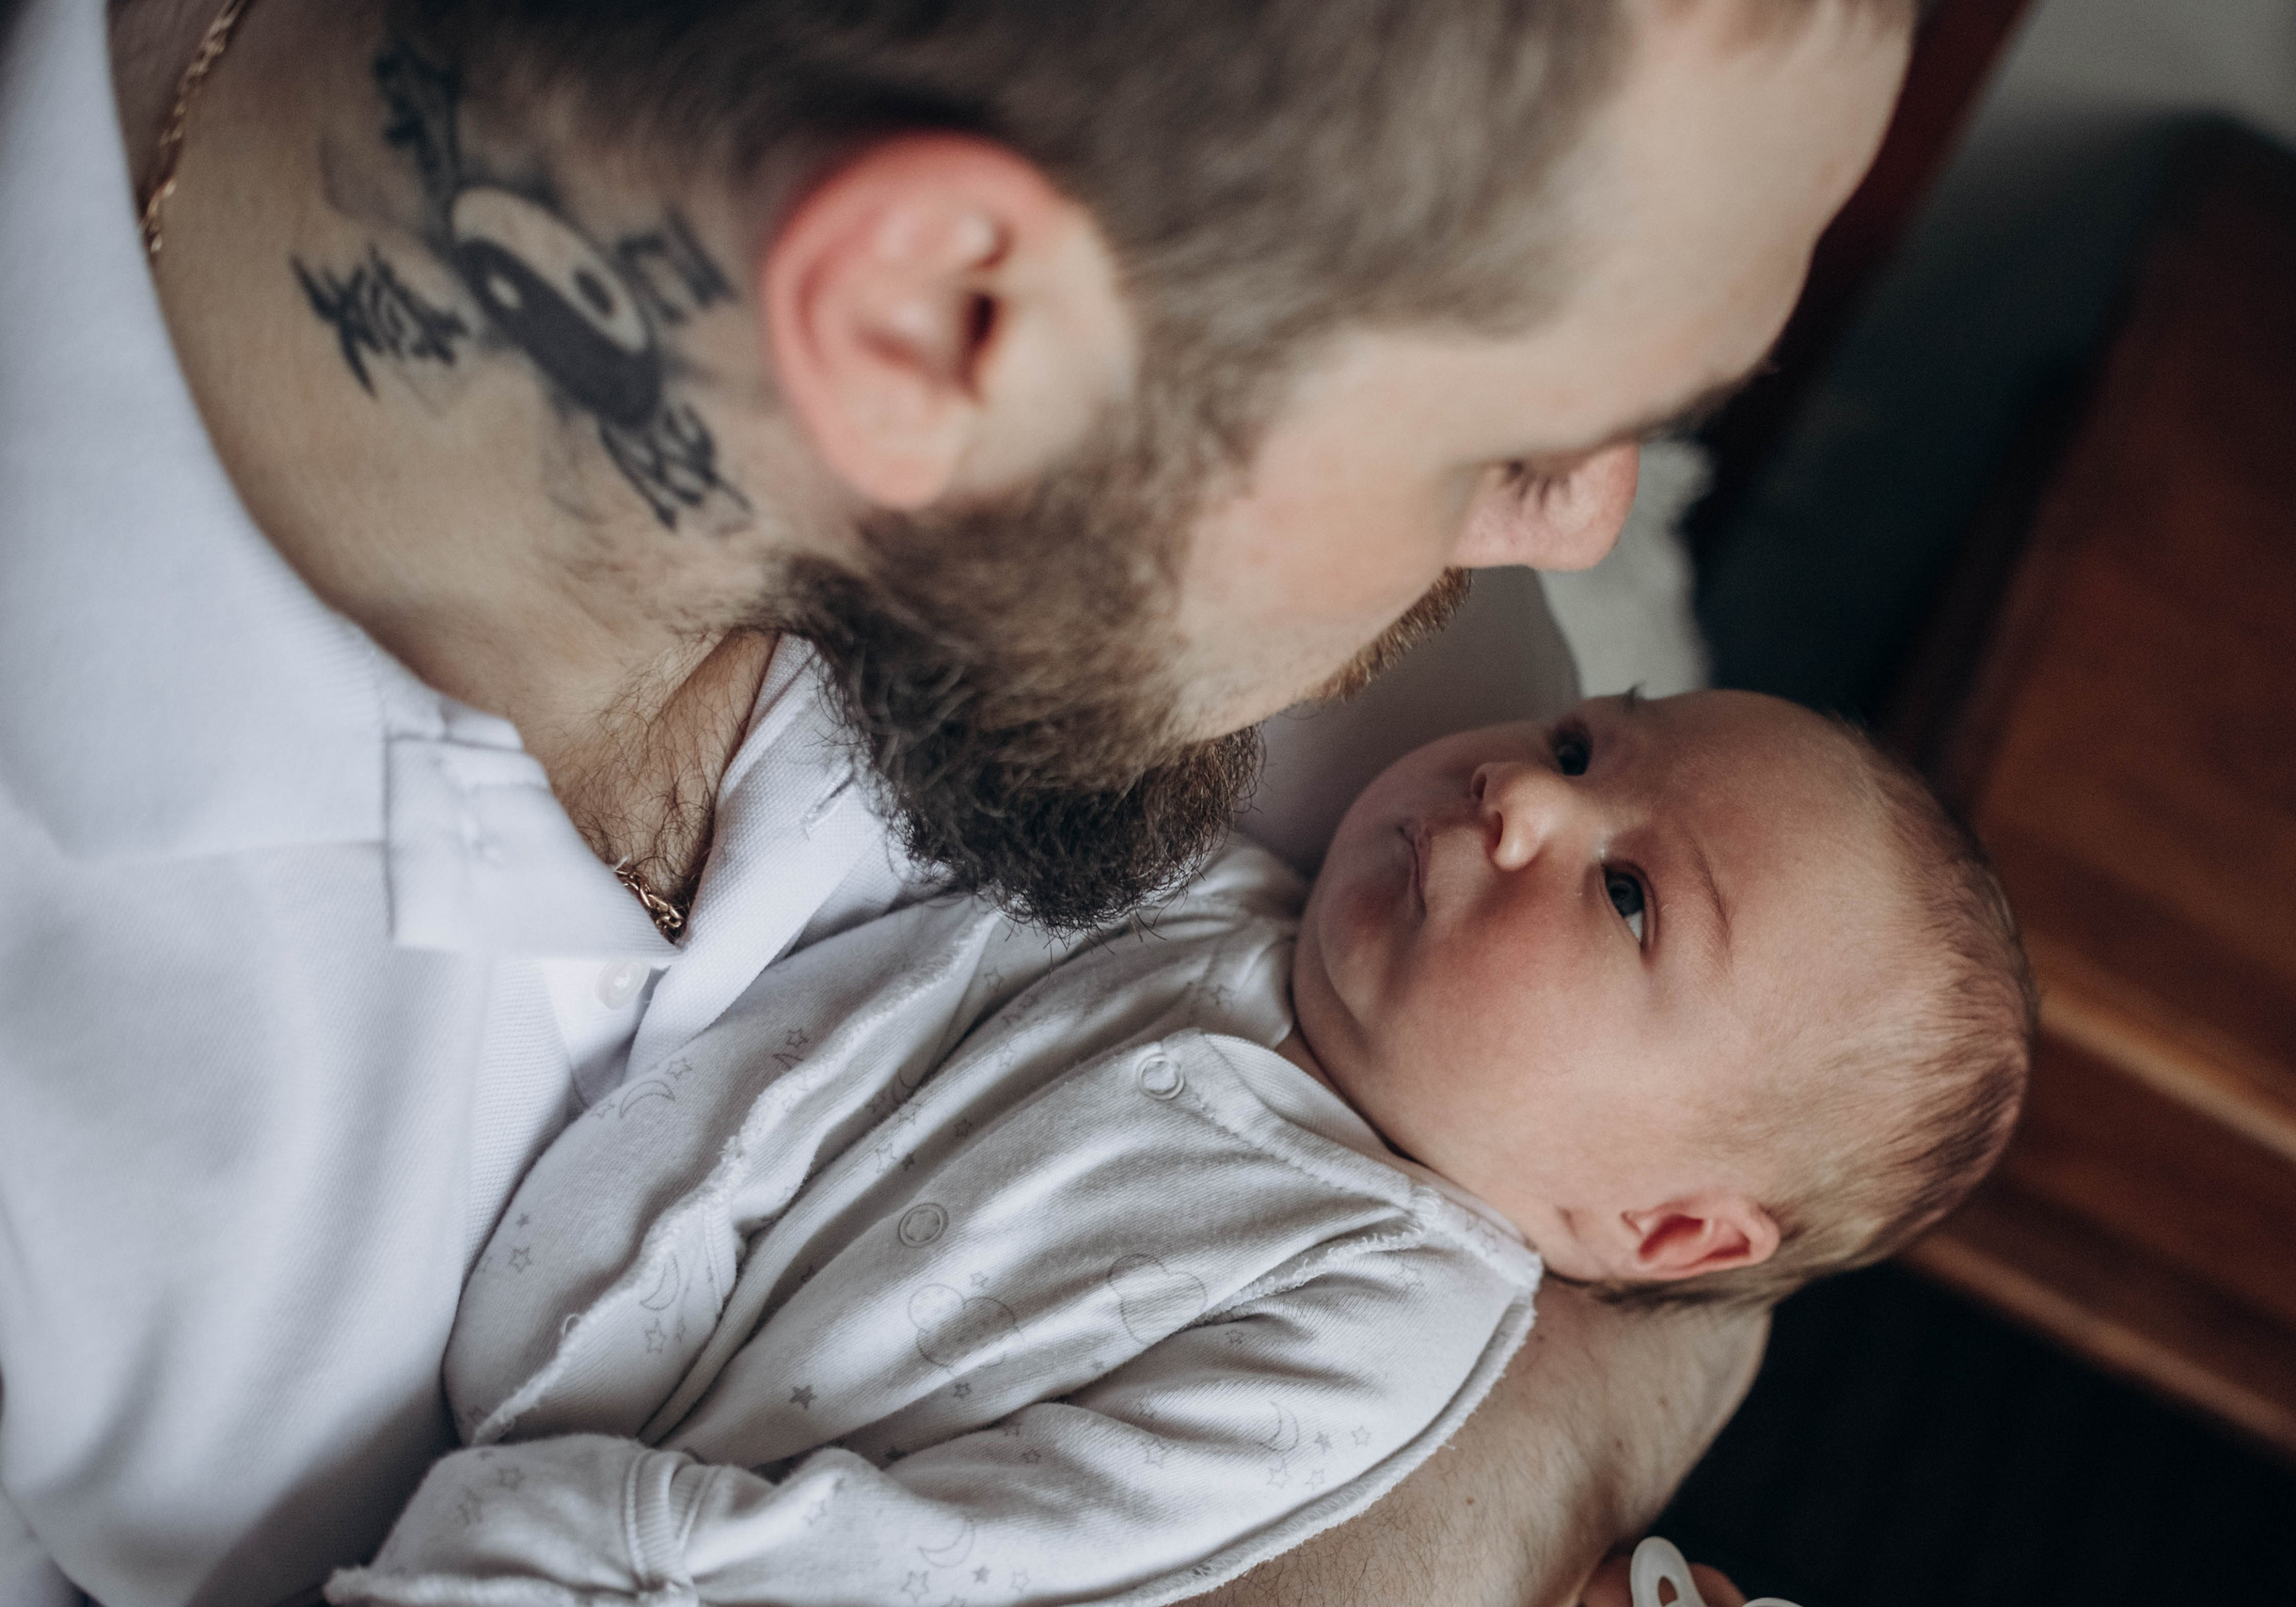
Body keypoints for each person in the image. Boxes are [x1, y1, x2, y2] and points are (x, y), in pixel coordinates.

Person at [0, 0, 1913, 1602]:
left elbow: (1709, 1233)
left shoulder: (1382, 689)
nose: (1558, 538)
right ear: (926, 327)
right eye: (1509, 438)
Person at [322, 689, 2034, 1604]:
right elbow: (845, 1030)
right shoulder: (1227, 883)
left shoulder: (1393, 1310)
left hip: (655, 1543)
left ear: (1660, 1234)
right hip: (554, 1331)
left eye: (1631, 894)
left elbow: (1006, 1548)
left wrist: (628, 1549)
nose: (1527, 793)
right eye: (1586, 739)